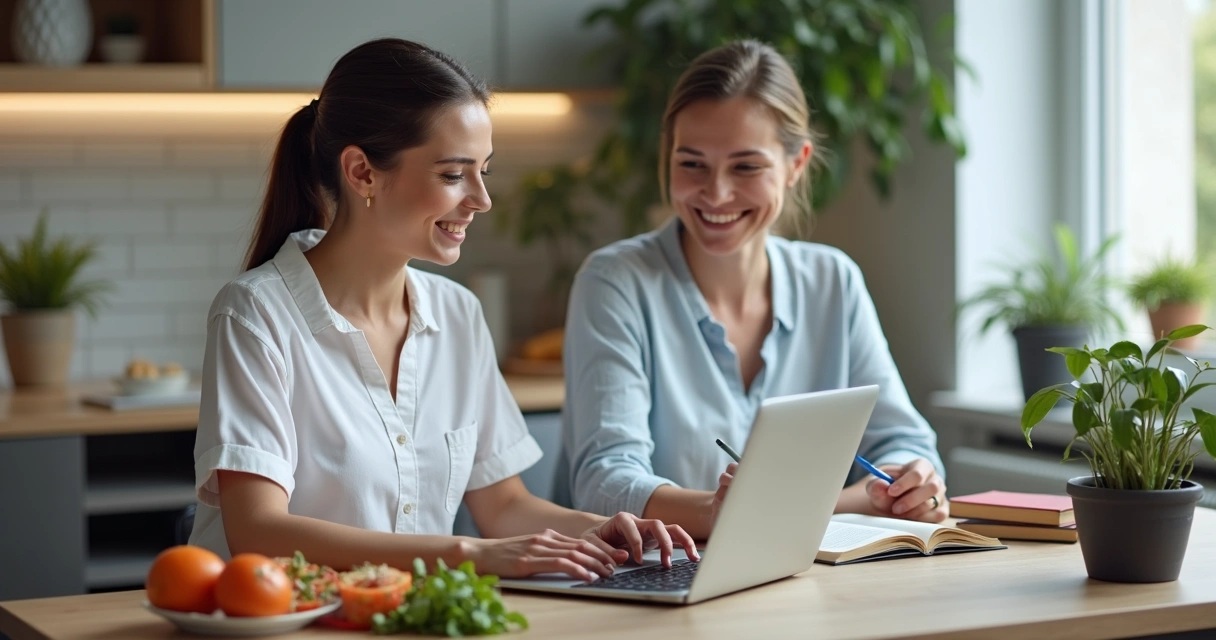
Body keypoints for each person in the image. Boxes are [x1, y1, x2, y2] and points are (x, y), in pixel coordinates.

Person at [188, 38, 696, 581]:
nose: (481, 198)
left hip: (404, 618)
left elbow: (502, 506)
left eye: (484, 171)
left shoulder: (458, 314)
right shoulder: (255, 315)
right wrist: (465, 554)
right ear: (362, 173)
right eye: (454, 175)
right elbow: (257, 531)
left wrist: (597, 529)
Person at [558, 40, 947, 541]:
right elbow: (604, 480)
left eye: (746, 167)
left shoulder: (833, 281)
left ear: (796, 165)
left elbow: (905, 441)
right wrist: (734, 511)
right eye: (692, 163)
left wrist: (915, 482)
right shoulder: (614, 282)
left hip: (811, 578)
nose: (716, 193)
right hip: (660, 574)